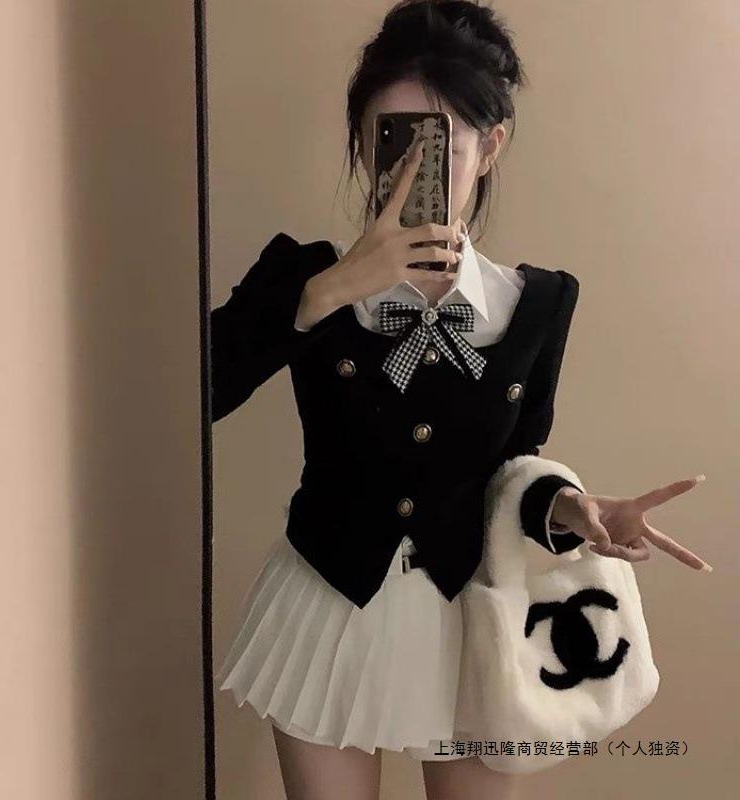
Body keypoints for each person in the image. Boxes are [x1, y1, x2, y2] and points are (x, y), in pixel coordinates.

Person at [211, 3, 711, 798]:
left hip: (471, 620)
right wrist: (333, 289)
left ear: (490, 145)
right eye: (392, 138)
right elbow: (188, 393)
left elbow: (509, 470)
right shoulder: (303, 278)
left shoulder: (537, 304)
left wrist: (569, 509)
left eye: (438, 142)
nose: (414, 166)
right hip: (328, 606)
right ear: (361, 143)